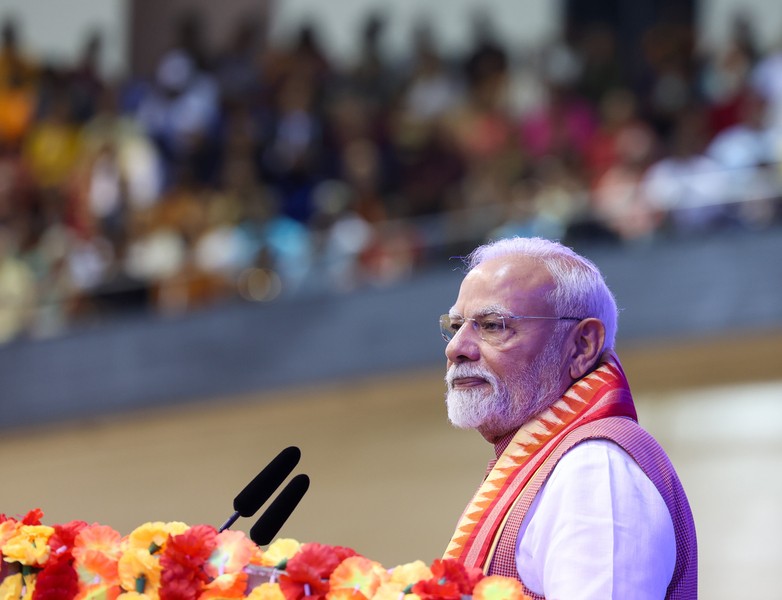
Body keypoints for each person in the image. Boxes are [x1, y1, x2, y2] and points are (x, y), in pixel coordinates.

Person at [440, 236, 696, 599]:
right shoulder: (563, 461)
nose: (456, 348)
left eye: (493, 325)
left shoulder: (595, 470)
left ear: (582, 346)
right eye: (456, 326)